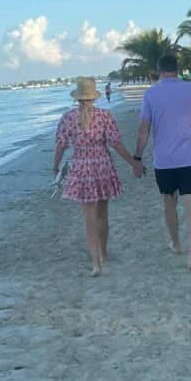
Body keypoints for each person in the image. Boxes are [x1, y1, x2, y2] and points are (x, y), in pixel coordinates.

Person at [133, 54, 191, 271]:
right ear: (177, 69)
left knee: (169, 203)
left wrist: (137, 157)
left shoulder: (151, 94)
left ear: (158, 70)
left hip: (164, 161)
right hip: (190, 159)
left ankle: (175, 243)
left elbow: (143, 130)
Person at [54, 77, 143, 276]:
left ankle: (95, 263)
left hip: (81, 169)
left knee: (89, 219)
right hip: (103, 166)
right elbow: (116, 144)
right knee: (102, 215)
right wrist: (133, 163)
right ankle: (103, 253)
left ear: (77, 98)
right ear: (94, 97)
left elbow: (61, 145)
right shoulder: (105, 116)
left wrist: (55, 167)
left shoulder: (67, 118)